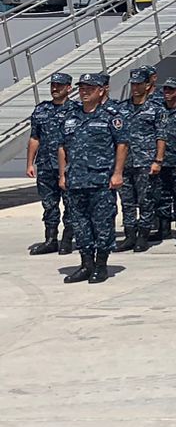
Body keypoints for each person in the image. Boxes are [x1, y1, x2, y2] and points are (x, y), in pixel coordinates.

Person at [57, 72, 126, 285]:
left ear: (101, 90)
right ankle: (86, 264)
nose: (84, 92)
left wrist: (117, 173)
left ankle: (101, 265)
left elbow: (122, 145)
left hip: (101, 180)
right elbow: (62, 147)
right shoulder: (71, 116)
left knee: (102, 223)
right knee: (80, 224)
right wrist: (62, 174)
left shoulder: (111, 116)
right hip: (76, 180)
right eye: (82, 88)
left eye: (89, 88)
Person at [25, 72, 76, 256]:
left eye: (59, 86)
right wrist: (30, 163)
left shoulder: (76, 110)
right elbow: (34, 138)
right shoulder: (41, 110)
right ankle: (51, 239)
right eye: (53, 85)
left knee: (71, 204)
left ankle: (67, 239)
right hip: (46, 164)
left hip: (69, 166)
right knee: (49, 204)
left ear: (69, 88)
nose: (55, 89)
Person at [114, 65, 163, 253]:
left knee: (145, 200)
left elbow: (161, 136)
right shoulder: (121, 109)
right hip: (125, 162)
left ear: (147, 85)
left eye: (139, 84)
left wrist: (158, 160)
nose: (135, 87)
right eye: (133, 84)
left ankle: (143, 236)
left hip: (146, 161)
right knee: (126, 202)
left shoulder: (155, 109)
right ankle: (130, 235)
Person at [153, 77, 176, 246]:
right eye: (165, 89)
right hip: (160, 161)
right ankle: (164, 228)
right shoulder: (157, 109)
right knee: (161, 196)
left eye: (171, 89)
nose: (167, 92)